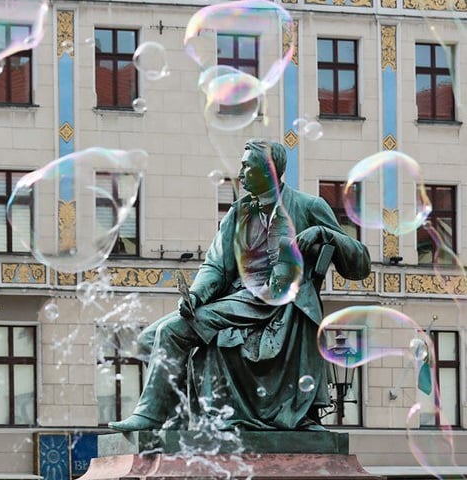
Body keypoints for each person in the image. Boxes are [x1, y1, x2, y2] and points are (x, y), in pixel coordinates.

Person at [109, 138, 371, 431]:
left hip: (278, 303)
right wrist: (196, 295)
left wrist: (325, 233)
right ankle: (183, 415)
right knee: (148, 339)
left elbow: (361, 263)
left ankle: (149, 416)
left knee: (171, 332)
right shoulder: (238, 213)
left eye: (247, 166)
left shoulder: (308, 206)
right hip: (240, 299)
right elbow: (216, 266)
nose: (241, 173)